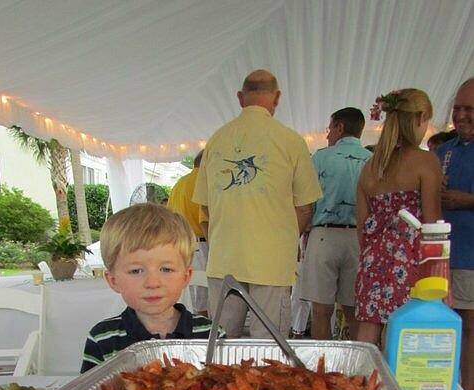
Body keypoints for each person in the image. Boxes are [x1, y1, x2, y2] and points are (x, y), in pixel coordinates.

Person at [192, 69, 322, 338]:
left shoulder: (216, 140)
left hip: (225, 258)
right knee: (270, 349)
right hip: (272, 260)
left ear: (240, 98)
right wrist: (286, 240)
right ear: (276, 98)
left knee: (221, 346)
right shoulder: (291, 141)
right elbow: (305, 206)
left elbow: (204, 209)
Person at [80, 203, 224, 372]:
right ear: (113, 280)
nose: (152, 283)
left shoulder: (212, 335)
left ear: (186, 277)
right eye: (136, 271)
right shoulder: (101, 339)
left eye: (166, 269)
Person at [355, 88, 442, 346]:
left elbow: (362, 229)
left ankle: (363, 384)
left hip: (372, 260)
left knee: (368, 332)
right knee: (409, 338)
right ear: (420, 117)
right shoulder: (426, 162)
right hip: (415, 264)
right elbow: (433, 225)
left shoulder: (369, 167)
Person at [298, 107, 372, 339]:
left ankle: (322, 370)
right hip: (360, 239)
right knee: (354, 311)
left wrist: (303, 231)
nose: (328, 135)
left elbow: (306, 202)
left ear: (340, 127)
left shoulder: (321, 157)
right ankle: (357, 366)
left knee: (321, 310)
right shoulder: (373, 160)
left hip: (324, 235)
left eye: (330, 129)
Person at [435, 78, 474, 390]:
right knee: (445, 328)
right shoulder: (443, 150)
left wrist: (469, 200)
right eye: (458, 108)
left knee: (470, 328)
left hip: (470, 257)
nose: (461, 115)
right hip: (440, 258)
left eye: (469, 109)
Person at [167, 150, 208, 312]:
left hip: (177, 244)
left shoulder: (179, 183)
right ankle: (202, 331)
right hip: (200, 244)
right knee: (203, 292)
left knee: (186, 292)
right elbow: (204, 219)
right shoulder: (203, 182)